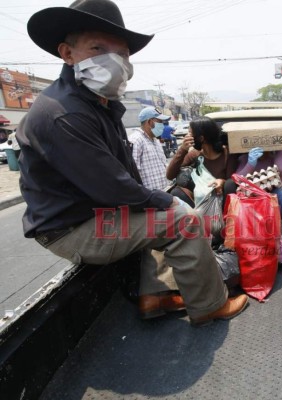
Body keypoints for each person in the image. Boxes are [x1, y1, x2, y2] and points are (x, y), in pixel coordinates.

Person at [17, 0, 248, 324]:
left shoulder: (98, 103)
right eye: (98, 48)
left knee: (164, 208)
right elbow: (113, 187)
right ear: (67, 54)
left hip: (94, 212)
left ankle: (155, 298)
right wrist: (166, 200)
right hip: (73, 227)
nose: (115, 61)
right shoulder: (63, 113)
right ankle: (210, 304)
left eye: (122, 53)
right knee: (184, 219)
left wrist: (157, 199)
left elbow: (125, 177)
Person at [166, 116, 238, 207]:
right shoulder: (195, 154)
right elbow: (170, 175)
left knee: (229, 183)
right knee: (176, 192)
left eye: (190, 132)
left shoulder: (227, 154)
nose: (187, 136)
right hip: (200, 205)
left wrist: (221, 182)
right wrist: (183, 150)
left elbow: (231, 183)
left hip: (222, 203)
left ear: (201, 138)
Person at [235, 147, 282, 240]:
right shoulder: (245, 159)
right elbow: (237, 179)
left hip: (274, 197)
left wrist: (279, 148)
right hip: (253, 198)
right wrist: (250, 164)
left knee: (280, 193)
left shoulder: (274, 157)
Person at [129, 107, 171, 191]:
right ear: (150, 122)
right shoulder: (136, 140)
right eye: (160, 122)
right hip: (150, 199)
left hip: (164, 194)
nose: (162, 125)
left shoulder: (155, 140)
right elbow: (132, 174)